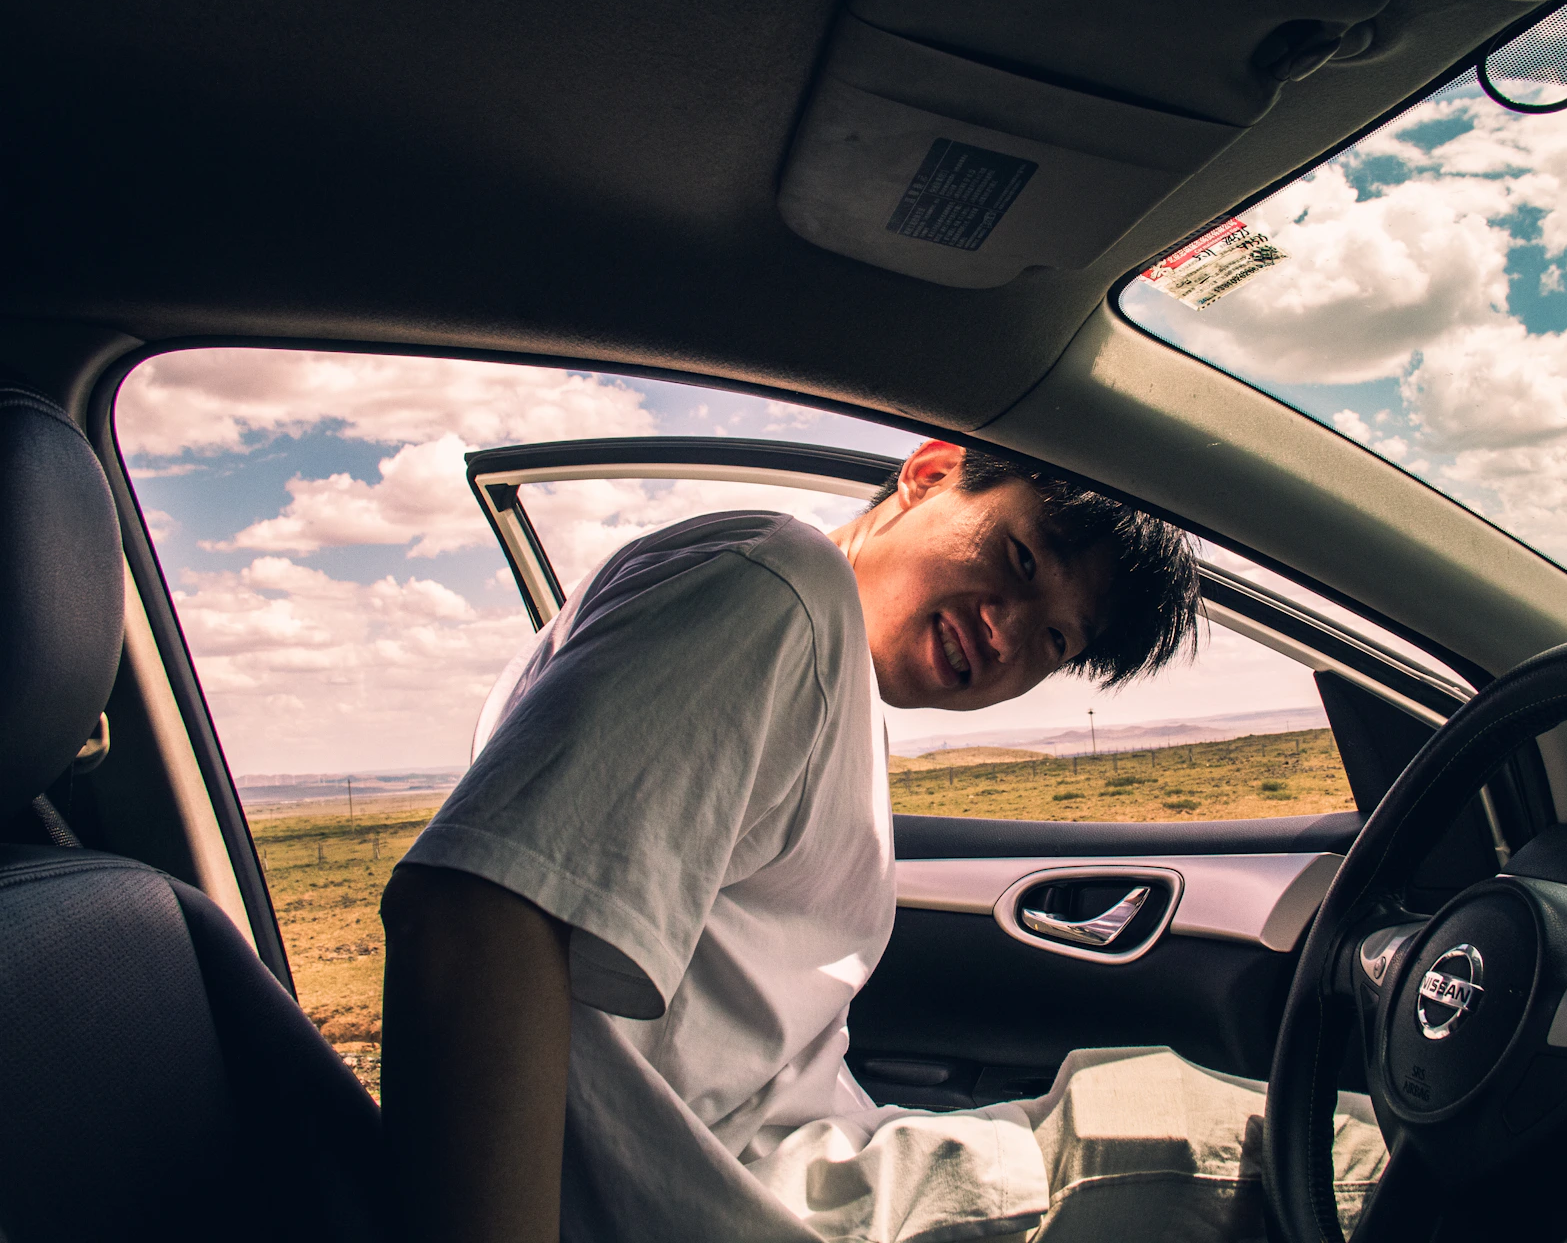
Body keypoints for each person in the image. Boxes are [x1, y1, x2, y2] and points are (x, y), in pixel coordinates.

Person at [380, 440, 1386, 1242]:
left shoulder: (797, 643)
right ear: (930, 473)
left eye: (1053, 640)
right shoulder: (776, 588)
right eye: (1019, 559)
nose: (1007, 633)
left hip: (796, 1159)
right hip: (752, 1199)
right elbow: (478, 915)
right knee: (1332, 1154)